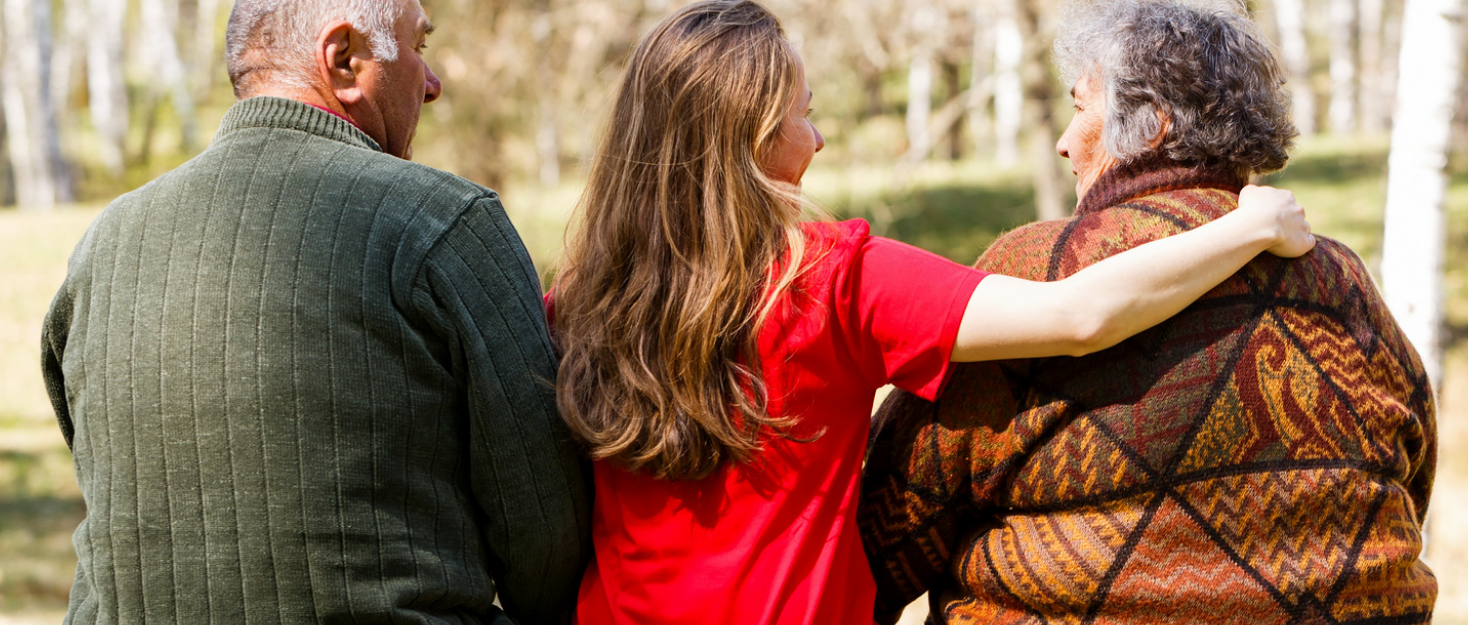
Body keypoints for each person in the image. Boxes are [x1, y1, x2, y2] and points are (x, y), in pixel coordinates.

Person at [547, 2, 1313, 624]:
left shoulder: (578, 299)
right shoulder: (831, 280)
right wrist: (1249, 227)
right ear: (750, 140)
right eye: (803, 118)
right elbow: (1082, 315)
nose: (816, 139)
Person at [858, 1, 1437, 623]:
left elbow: (891, 528)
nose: (1062, 143)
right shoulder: (1338, 274)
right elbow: (1414, 469)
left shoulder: (1044, 264)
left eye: (1080, 108)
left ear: (1154, 123)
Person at [39, 0, 589, 622]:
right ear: (345, 59)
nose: (432, 85)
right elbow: (548, 550)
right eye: (419, 48)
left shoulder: (103, 245)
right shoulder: (446, 223)